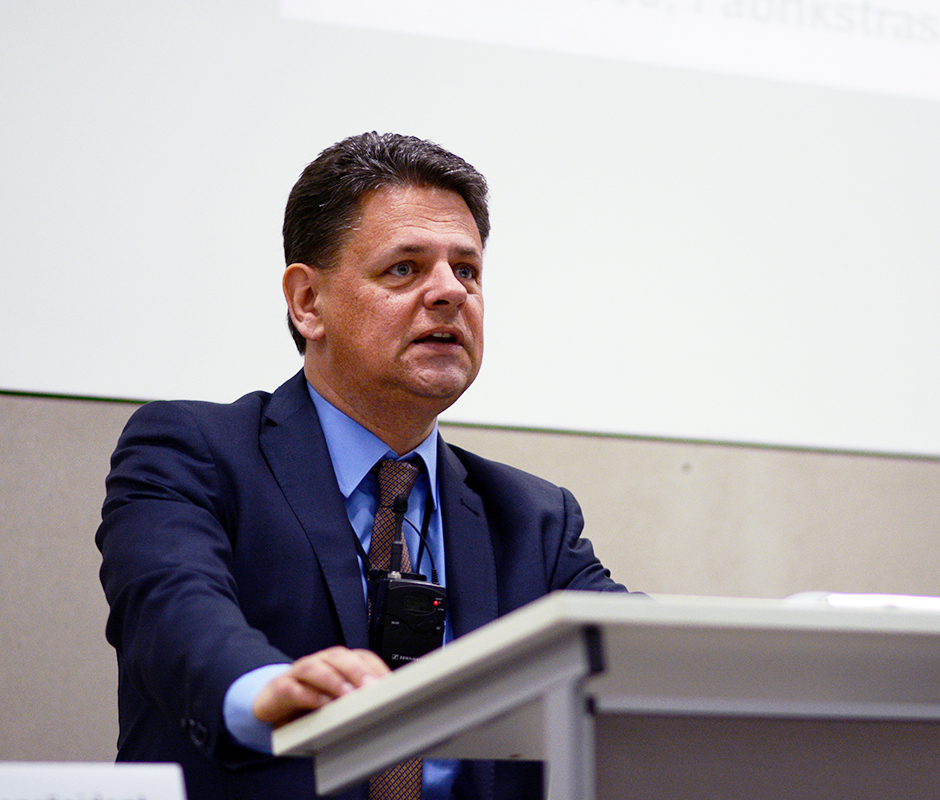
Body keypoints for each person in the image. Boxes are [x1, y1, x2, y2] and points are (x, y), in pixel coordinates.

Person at [96, 132, 627, 800]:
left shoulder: (532, 518)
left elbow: (638, 660)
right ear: (307, 302)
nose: (449, 293)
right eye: (404, 268)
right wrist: (268, 690)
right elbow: (172, 609)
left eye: (467, 270)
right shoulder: (195, 450)